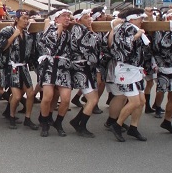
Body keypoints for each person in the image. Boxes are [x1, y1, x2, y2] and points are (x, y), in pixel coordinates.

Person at [108, 8, 149, 142]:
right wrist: (136, 36)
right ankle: (117, 124)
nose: (142, 21)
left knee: (141, 101)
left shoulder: (131, 27)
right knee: (134, 101)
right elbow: (120, 48)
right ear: (132, 19)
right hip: (126, 69)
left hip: (136, 69)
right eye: (140, 18)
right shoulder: (123, 28)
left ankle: (133, 127)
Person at [0, 9, 39, 130]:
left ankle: (28, 119)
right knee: (17, 96)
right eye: (24, 18)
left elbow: (32, 52)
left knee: (30, 94)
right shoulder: (7, 30)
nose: (26, 21)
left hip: (23, 67)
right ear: (16, 19)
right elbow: (0, 48)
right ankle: (11, 116)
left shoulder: (28, 34)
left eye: (27, 18)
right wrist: (14, 36)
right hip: (11, 67)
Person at [37, 8, 73, 137]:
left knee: (66, 98)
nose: (67, 18)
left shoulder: (69, 33)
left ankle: (59, 122)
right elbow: (49, 46)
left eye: (69, 16)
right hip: (50, 66)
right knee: (47, 97)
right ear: (56, 18)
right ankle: (45, 122)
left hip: (63, 67)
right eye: (64, 16)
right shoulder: (49, 30)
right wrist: (58, 30)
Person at [68, 9, 101, 138]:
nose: (89, 19)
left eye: (90, 17)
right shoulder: (77, 29)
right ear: (79, 19)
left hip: (87, 67)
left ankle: (77, 121)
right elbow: (85, 46)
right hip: (81, 67)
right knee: (93, 100)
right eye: (86, 17)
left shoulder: (84, 29)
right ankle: (80, 125)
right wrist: (94, 35)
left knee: (93, 99)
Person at [154, 10, 172, 132]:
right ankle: (158, 107)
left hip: (165, 65)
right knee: (162, 90)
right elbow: (158, 48)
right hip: (165, 66)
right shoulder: (160, 32)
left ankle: (167, 120)